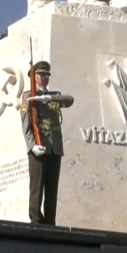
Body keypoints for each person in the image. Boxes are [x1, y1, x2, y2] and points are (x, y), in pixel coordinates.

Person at [19, 60, 74, 225]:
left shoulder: (55, 96)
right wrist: (32, 145)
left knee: (52, 187)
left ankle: (50, 220)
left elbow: (69, 100)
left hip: (55, 148)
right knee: (37, 186)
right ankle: (35, 218)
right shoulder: (28, 97)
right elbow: (26, 125)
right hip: (39, 146)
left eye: (46, 75)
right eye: (41, 74)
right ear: (33, 77)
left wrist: (49, 98)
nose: (44, 77)